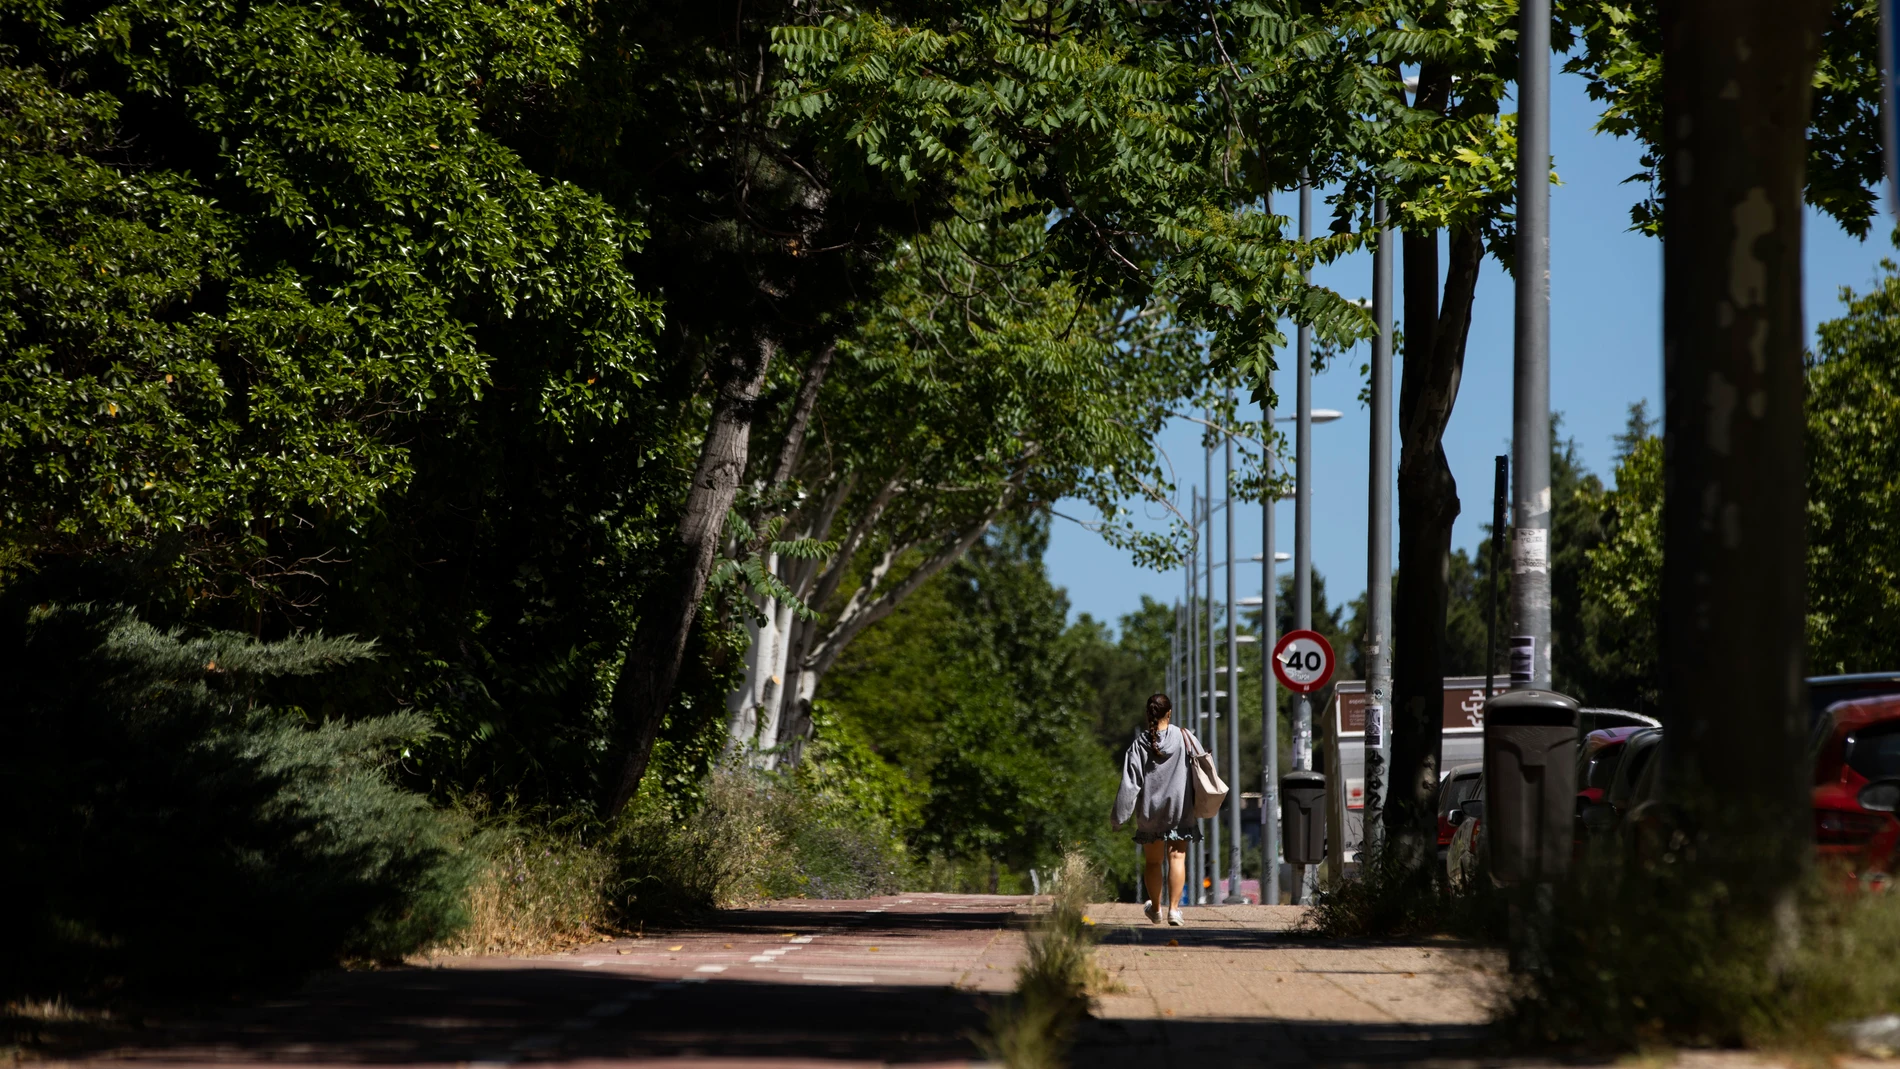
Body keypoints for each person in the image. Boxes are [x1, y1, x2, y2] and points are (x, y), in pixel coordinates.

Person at [1111, 692, 1202, 926]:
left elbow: (1130, 785)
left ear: (1147, 714)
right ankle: (1174, 910)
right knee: (1177, 857)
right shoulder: (1184, 737)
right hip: (1179, 810)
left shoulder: (1139, 744)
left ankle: (1156, 909)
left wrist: (1119, 818)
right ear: (1169, 713)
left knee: (1153, 862)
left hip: (1150, 814)